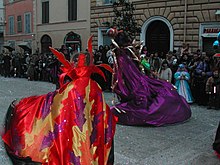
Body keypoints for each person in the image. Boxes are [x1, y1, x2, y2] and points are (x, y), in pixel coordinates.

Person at [1, 39, 117, 165]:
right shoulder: (94, 86)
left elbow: (54, 102)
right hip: (89, 136)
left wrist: (25, 105)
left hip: (70, 134)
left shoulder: (72, 87)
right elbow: (103, 112)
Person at [108, 28, 191, 126]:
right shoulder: (124, 56)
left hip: (136, 82)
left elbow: (132, 73)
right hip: (136, 80)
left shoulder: (123, 57)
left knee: (148, 95)